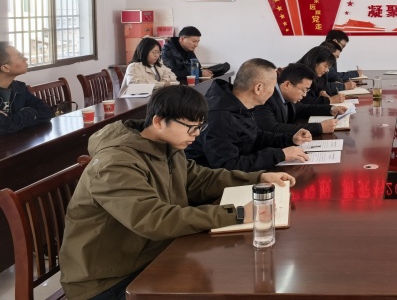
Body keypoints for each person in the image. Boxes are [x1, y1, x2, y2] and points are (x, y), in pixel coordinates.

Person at [59, 85, 295, 300]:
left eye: (200, 127)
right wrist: (239, 214)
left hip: (151, 254)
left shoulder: (165, 146)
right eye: (191, 127)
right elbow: (155, 219)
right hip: (106, 281)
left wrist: (257, 178)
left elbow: (199, 178)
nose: (196, 134)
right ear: (159, 121)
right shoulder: (115, 164)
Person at [185, 58, 310, 171]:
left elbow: (255, 137)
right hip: (213, 181)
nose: (274, 91)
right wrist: (279, 155)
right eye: (273, 86)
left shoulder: (238, 103)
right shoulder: (221, 116)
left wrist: (290, 139)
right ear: (258, 88)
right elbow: (228, 167)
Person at [254, 63, 348, 136]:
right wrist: (319, 127)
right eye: (303, 90)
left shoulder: (286, 96)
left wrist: (330, 109)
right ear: (287, 85)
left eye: (307, 90)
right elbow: (273, 128)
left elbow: (301, 108)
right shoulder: (266, 99)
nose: (305, 94)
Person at [0, 41, 52, 134]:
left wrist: (22, 115)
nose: (25, 59)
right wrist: (31, 113)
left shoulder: (19, 88)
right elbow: (5, 126)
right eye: (20, 56)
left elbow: (46, 112)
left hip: (17, 141)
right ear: (5, 68)